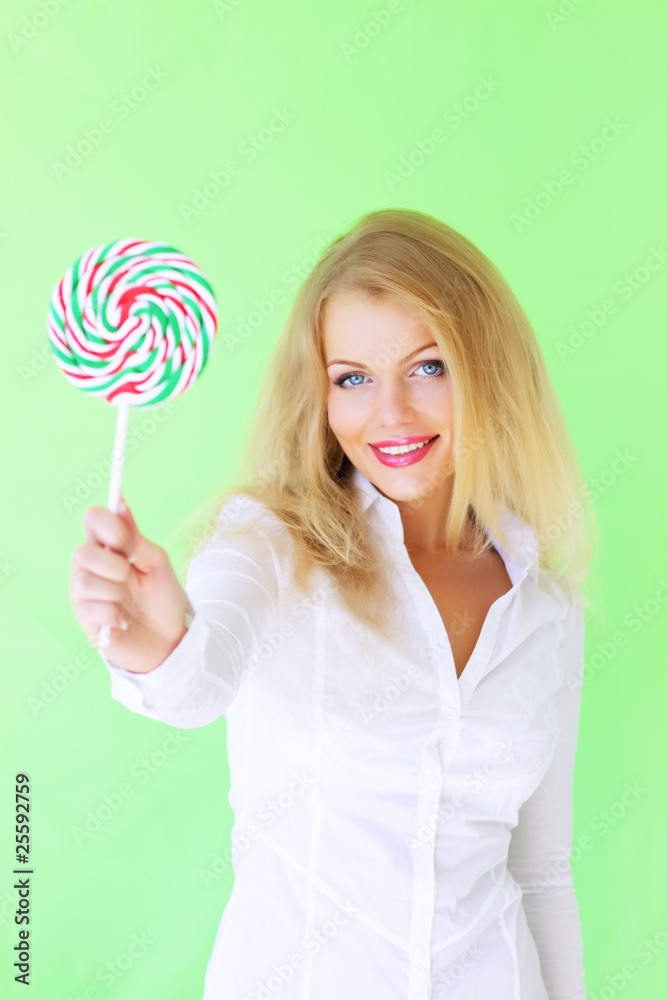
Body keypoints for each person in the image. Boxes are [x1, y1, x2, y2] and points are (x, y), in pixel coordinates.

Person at [69, 208, 597, 999]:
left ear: (487, 367)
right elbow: (198, 680)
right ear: (317, 394)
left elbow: (541, 870)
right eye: (351, 378)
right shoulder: (267, 545)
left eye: (427, 368)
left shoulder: (548, 608)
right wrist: (152, 643)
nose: (389, 414)